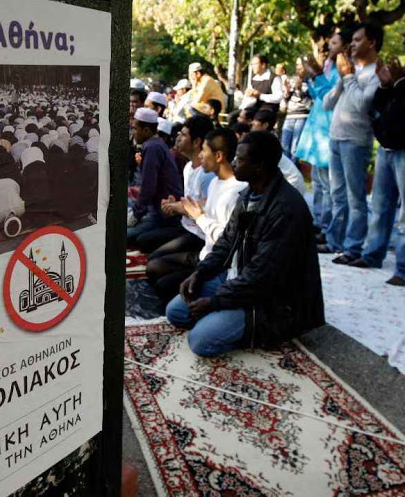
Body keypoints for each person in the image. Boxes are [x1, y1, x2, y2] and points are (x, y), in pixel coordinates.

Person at [165, 130, 324, 356]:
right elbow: (226, 243)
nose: (233, 163)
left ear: (259, 166)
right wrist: (200, 273)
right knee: (176, 312)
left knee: (200, 341)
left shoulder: (286, 209)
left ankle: (261, 330)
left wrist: (215, 302)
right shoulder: (249, 194)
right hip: (238, 280)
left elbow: (261, 277)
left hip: (269, 300)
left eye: (240, 159)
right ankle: (224, 318)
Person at [319, 22, 383, 264]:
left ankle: (353, 247)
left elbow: (362, 105)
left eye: (357, 40)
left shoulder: (376, 73)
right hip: (336, 136)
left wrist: (347, 77)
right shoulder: (352, 70)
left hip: (355, 141)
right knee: (337, 193)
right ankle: (335, 241)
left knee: (355, 196)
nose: (352, 45)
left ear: (372, 43)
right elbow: (327, 103)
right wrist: (343, 79)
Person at [146, 115, 216, 300]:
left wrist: (178, 207)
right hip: (186, 228)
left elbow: (204, 213)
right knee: (151, 258)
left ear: (197, 142)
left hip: (200, 236)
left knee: (157, 272)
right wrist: (173, 204)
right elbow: (189, 203)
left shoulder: (207, 175)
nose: (178, 138)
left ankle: (196, 270)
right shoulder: (188, 168)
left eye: (183, 135)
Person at [349, 57, 405, 286]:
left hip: (402, 149)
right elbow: (382, 106)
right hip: (386, 147)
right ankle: (372, 254)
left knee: (403, 215)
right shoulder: (398, 77)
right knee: (380, 205)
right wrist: (385, 86)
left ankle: (402, 269)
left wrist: (399, 82)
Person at [295, 30, 350, 236]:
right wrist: (311, 77)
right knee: (318, 182)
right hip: (317, 131)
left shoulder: (343, 70)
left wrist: (317, 75)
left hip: (329, 130)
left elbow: (328, 97)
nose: (329, 48)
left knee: (330, 186)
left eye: (335, 43)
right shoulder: (330, 67)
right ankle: (318, 221)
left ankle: (328, 227)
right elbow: (318, 94)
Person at [127, 107, 183, 252]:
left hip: (162, 213)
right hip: (155, 208)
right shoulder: (155, 145)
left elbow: (148, 187)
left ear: (146, 130)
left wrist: (136, 214)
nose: (133, 133)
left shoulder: (152, 147)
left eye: (135, 129)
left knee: (125, 235)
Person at [251, 109, 306, 195]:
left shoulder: (266, 142)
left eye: (256, 120)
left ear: (265, 125)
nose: (252, 123)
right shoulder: (264, 139)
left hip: (291, 185)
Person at [280, 58, 312, 160]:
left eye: (301, 64)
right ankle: (285, 173)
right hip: (290, 116)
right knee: (284, 146)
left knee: (295, 147)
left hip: (302, 116)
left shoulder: (311, 81)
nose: (298, 67)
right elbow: (286, 101)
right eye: (297, 64)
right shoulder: (292, 79)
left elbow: (310, 104)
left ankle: (294, 172)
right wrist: (286, 92)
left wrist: (299, 90)